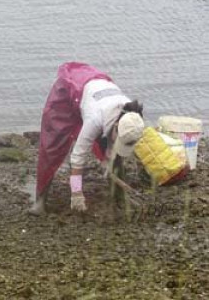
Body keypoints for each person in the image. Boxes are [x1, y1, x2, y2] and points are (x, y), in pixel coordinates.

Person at [30, 62, 145, 215]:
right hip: (69, 92)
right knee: (52, 147)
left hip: (95, 94)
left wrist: (109, 159)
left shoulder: (133, 118)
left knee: (115, 156)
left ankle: (119, 196)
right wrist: (76, 193)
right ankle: (40, 201)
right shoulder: (95, 119)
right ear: (116, 126)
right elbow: (77, 157)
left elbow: (118, 146)